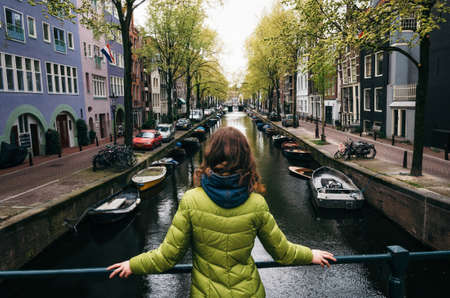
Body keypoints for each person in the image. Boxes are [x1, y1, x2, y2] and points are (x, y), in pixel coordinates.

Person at [108, 126, 336, 297]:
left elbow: (167, 257)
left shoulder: (191, 200)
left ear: (211, 157)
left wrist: (133, 264)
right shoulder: (256, 204)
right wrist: (311, 254)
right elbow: (283, 253)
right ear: (246, 159)